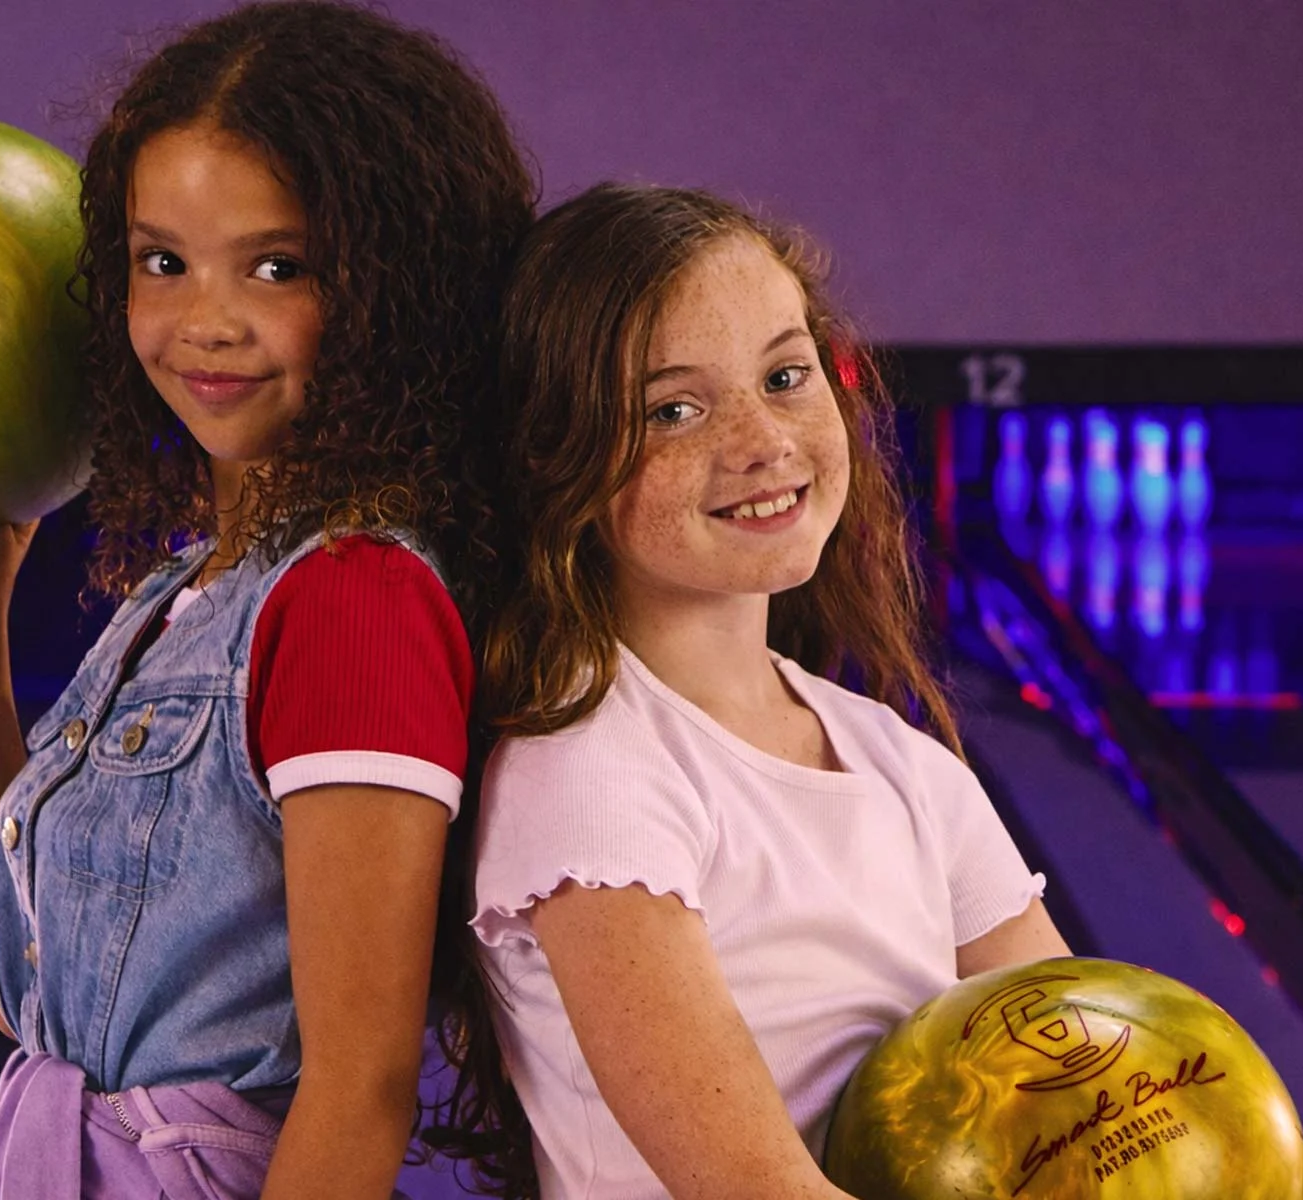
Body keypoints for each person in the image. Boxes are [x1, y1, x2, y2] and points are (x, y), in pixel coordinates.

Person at [0, 4, 534, 1195]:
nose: (204, 323)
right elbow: (31, 989)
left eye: (278, 266)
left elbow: (357, 1094)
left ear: (397, 290)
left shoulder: (351, 599)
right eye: (163, 261)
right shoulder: (196, 586)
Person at [431, 185, 1070, 1200]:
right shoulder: (592, 777)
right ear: (562, 458)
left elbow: (1092, 1089)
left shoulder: (901, 766)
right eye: (673, 409)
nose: (762, 440)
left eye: (783, 376)